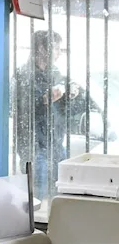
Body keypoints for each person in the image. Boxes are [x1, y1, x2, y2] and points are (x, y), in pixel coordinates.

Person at [13, 31, 78, 200]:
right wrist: (43, 101)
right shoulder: (23, 75)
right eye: (55, 48)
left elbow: (63, 110)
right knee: (36, 198)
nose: (58, 53)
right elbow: (19, 110)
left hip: (55, 142)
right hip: (34, 145)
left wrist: (69, 95)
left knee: (61, 194)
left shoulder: (55, 72)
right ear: (41, 48)